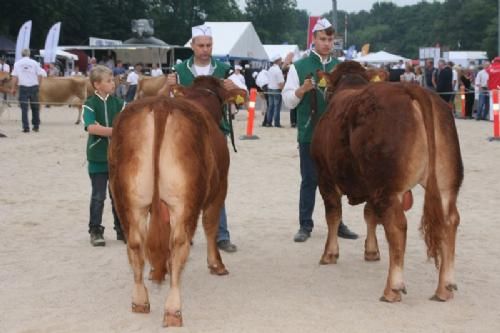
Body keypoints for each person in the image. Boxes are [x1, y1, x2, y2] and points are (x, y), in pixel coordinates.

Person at [166, 24, 244, 253]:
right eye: (200, 45)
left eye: (208, 45)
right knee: (183, 186)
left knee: (217, 184)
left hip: (216, 134)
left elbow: (240, 101)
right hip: (185, 136)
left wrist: (234, 88)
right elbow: (168, 101)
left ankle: (221, 235)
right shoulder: (179, 70)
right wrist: (167, 86)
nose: (205, 49)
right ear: (192, 46)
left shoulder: (224, 69)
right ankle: (184, 233)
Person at [282, 18, 358, 242]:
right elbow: (288, 102)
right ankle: (305, 225)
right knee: (309, 180)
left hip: (339, 136)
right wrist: (301, 91)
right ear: (313, 40)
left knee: (338, 179)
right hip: (310, 133)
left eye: (330, 39)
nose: (327, 43)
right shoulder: (299, 66)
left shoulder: (342, 67)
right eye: (322, 39)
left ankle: (338, 222)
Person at [82, 65, 126, 246]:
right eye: (108, 81)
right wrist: (116, 131)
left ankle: (122, 230)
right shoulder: (89, 104)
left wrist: (105, 130)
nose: (113, 83)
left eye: (112, 79)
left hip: (119, 158)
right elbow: (91, 127)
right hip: (98, 159)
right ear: (97, 85)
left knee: (118, 195)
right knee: (99, 196)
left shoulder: (120, 104)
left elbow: (129, 127)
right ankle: (95, 230)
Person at [10, 48, 44, 133]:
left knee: (24, 109)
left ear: (22, 54)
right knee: (35, 108)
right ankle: (36, 126)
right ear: (29, 54)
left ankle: (26, 127)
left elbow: (14, 77)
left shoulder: (17, 64)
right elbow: (40, 75)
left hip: (23, 87)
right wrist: (38, 85)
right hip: (33, 86)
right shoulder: (35, 63)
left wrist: (13, 88)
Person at [266, 54, 285, 127]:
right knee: (276, 107)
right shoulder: (278, 70)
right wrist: (284, 90)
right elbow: (281, 83)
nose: (281, 61)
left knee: (270, 107)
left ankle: (269, 122)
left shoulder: (270, 69)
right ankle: (276, 123)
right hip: (276, 90)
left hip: (269, 89)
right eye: (280, 60)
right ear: (278, 61)